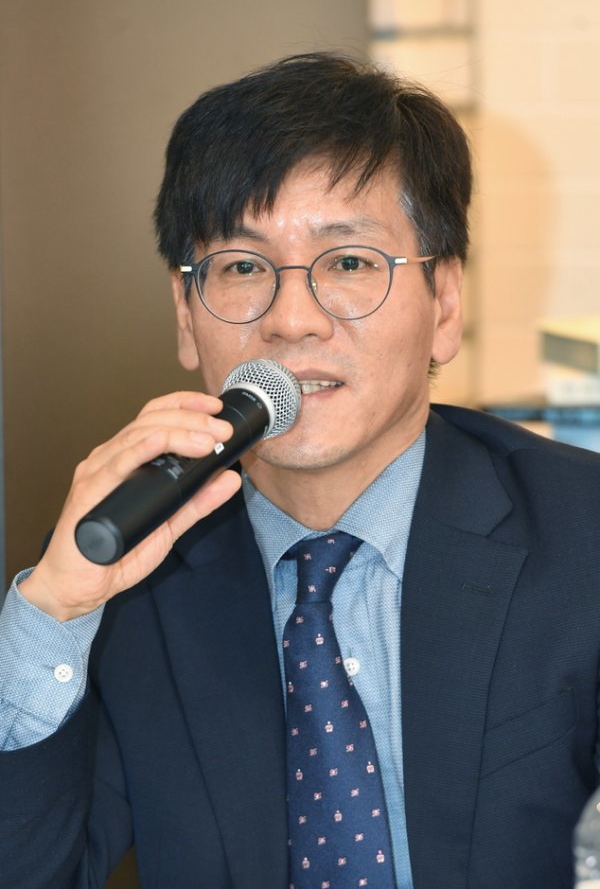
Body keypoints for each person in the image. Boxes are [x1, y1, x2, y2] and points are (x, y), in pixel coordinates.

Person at [0, 52, 599, 889]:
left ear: (444, 303)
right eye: (243, 267)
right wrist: (51, 610)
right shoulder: (129, 569)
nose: (291, 320)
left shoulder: (583, 533)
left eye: (349, 262)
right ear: (186, 316)